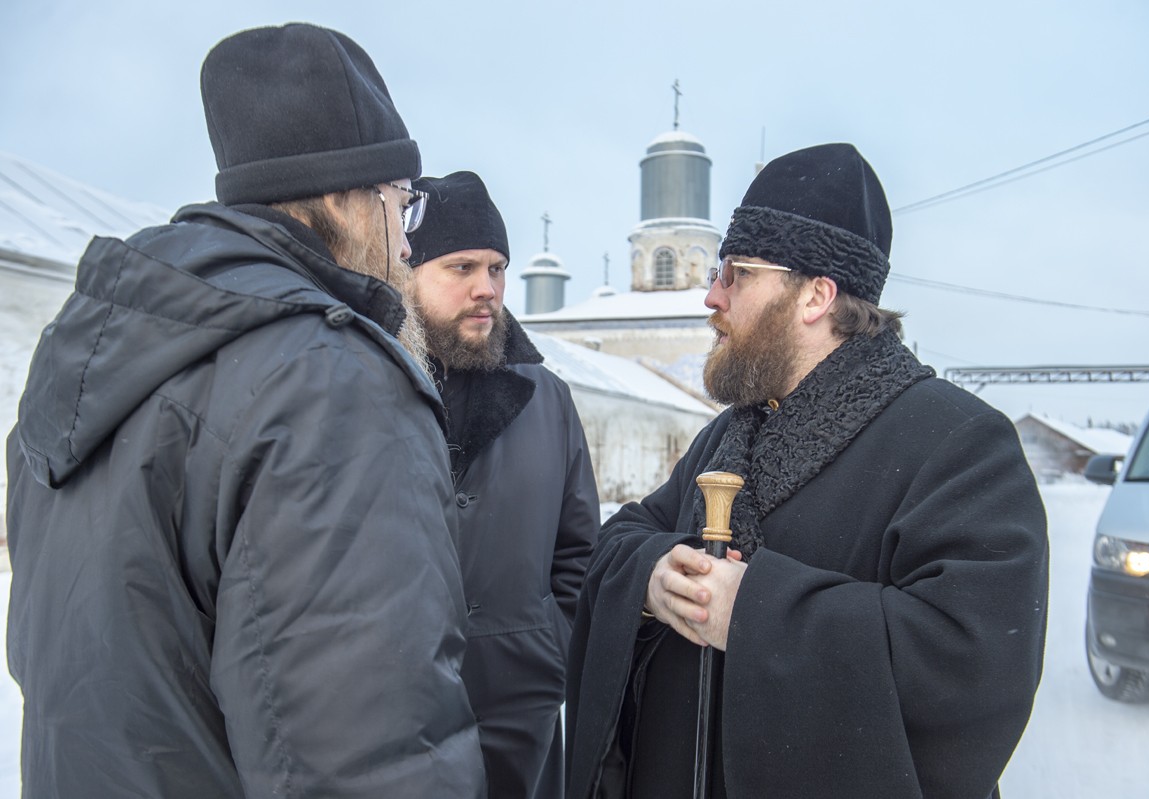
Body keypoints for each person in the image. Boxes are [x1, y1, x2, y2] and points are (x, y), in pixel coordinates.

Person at [6, 23, 485, 798]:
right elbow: (370, 754)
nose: (406, 243)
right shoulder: (330, 379)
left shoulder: (91, 351)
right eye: (403, 203)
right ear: (346, 198)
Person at [565, 143, 1049, 799]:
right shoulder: (730, 433)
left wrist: (754, 613)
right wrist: (653, 575)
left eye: (737, 274)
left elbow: (975, 665)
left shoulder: (959, 442)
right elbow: (625, 534)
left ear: (816, 295)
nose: (712, 296)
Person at [407, 171, 600, 799]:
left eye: (496, 269)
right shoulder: (369, 384)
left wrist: (546, 649)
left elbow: (578, 552)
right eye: (461, 267)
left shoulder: (547, 398)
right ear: (408, 271)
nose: (486, 288)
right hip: (396, 714)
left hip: (523, 712)